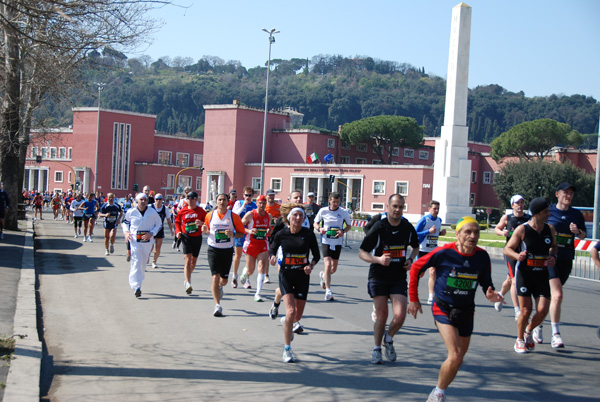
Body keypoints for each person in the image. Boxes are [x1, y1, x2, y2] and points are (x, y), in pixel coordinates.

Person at [408, 217, 503, 402]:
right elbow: (416, 268)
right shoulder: (443, 252)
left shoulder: (482, 256)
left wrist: (491, 294)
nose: (472, 236)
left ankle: (439, 389)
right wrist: (413, 298)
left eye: (476, 232)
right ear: (457, 234)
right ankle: (438, 394)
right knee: (457, 354)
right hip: (442, 308)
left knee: (458, 359)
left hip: (466, 310)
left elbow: (486, 283)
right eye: (467, 232)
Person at [359, 194, 419, 364]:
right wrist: (378, 259)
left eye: (401, 207)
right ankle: (377, 349)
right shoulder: (379, 227)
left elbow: (415, 246)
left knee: (400, 316)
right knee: (382, 315)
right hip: (378, 277)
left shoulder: (407, 227)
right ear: (388, 207)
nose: (398, 210)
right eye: (395, 206)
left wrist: (410, 259)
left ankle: (389, 338)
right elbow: (362, 252)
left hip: (398, 277)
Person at [504, 197, 557, 353]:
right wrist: (517, 256)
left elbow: (554, 246)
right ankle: (519, 340)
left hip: (542, 274)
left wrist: (553, 256)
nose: (548, 214)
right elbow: (508, 249)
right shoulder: (522, 229)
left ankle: (528, 332)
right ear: (537, 213)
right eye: (546, 211)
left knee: (542, 310)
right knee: (526, 310)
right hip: (525, 274)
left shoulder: (550, 229)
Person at [269, 202, 320, 363]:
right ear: (289, 218)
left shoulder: (308, 234)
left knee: (297, 316)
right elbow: (272, 247)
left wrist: (310, 266)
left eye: (300, 216)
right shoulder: (282, 234)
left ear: (304, 218)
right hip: (285, 274)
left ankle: (287, 322)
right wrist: (272, 256)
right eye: (295, 215)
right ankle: (287, 349)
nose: (298, 218)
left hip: (302, 276)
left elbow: (316, 256)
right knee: (290, 311)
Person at [538, 182, 587, 348]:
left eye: (571, 193)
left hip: (566, 259)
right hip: (550, 257)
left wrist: (577, 232)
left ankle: (539, 324)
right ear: (557, 194)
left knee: (549, 297)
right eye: (566, 192)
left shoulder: (576, 214)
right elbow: (536, 228)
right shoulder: (548, 212)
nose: (569, 196)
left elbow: (583, 235)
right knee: (557, 295)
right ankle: (556, 334)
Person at [268, 189, 311, 334]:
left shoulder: (305, 219)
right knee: (288, 285)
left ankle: (277, 303)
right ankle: (293, 320)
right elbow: (274, 238)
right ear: (289, 199)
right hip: (284, 257)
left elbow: (308, 239)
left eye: (300, 197)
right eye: (295, 197)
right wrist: (272, 254)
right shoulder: (283, 219)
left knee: (289, 289)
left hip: (300, 260)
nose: (298, 199)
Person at [202, 193, 245, 316]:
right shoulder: (210, 215)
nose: (221, 202)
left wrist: (233, 234)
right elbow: (207, 229)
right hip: (213, 249)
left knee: (224, 280)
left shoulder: (233, 217)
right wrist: (205, 231)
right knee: (215, 277)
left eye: (224, 200)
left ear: (228, 202)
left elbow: (241, 233)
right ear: (216, 202)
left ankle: (220, 286)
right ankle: (217, 305)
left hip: (227, 250)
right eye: (219, 200)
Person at [494, 195, 530, 319]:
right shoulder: (508, 218)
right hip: (510, 253)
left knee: (509, 280)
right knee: (515, 281)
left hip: (524, 253)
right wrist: (502, 232)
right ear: (512, 205)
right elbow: (497, 229)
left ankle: (500, 295)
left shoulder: (528, 218)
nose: (520, 205)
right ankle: (517, 310)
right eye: (517, 203)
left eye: (522, 202)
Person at [121, 193, 162, 297]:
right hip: (135, 240)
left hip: (147, 241)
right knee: (136, 261)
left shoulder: (152, 212)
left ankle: (138, 282)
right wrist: (126, 232)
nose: (143, 201)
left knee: (143, 263)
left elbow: (159, 224)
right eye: (141, 200)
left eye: (145, 200)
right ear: (136, 200)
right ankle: (136, 286)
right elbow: (125, 222)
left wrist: (151, 233)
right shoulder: (131, 212)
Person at [314, 192, 352, 301]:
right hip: (326, 240)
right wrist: (319, 229)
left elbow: (349, 226)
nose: (336, 204)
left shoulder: (343, 212)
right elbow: (315, 223)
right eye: (334, 201)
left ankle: (323, 276)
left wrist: (343, 231)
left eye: (338, 202)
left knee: (333, 269)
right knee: (327, 264)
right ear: (329, 200)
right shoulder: (323, 211)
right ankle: (328, 291)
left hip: (337, 242)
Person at [174, 191, 207, 294]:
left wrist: (202, 223)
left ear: (196, 199)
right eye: (188, 198)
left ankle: (187, 277)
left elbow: (208, 222)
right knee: (187, 260)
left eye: (192, 198)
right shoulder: (183, 211)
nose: (190, 200)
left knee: (193, 262)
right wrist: (178, 231)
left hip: (197, 237)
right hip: (186, 236)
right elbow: (177, 222)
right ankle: (188, 282)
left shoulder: (201, 211)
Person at [415, 200, 447, 305]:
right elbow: (415, 234)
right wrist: (427, 232)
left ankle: (431, 296)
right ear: (429, 209)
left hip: (433, 250)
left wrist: (441, 233)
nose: (436, 211)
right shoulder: (424, 220)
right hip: (422, 250)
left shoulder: (439, 220)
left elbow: (435, 233)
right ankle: (412, 291)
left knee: (433, 272)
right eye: (434, 208)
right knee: (419, 274)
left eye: (438, 209)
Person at [241, 195, 272, 301]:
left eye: (264, 203)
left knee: (262, 267)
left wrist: (269, 231)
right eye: (260, 203)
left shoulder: (269, 216)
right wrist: (249, 231)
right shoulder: (250, 214)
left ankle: (258, 293)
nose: (262, 205)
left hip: (262, 244)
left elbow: (269, 229)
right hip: (251, 244)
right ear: (257, 203)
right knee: (251, 269)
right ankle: (245, 274)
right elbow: (240, 226)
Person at [231, 186, 257, 288]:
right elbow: (234, 214)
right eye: (246, 195)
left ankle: (246, 279)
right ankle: (234, 276)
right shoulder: (239, 203)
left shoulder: (254, 205)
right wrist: (243, 206)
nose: (248, 197)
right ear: (243, 195)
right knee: (237, 255)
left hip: (249, 233)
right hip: (239, 232)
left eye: (250, 195)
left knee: (249, 257)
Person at [150, 193, 175, 269]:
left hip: (160, 230)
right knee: (150, 247)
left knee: (158, 248)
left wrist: (172, 230)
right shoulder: (150, 207)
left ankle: (154, 261)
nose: (158, 201)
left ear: (162, 200)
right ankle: (147, 255)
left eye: (160, 199)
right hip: (151, 230)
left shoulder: (165, 209)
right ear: (154, 200)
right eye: (157, 199)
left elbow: (168, 221)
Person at [264, 188, 282, 283]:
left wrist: (277, 220)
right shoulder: (264, 207)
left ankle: (282, 274)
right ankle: (266, 275)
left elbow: (282, 219)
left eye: (272, 195)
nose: (271, 197)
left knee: (279, 255)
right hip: (267, 233)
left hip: (277, 234)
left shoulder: (278, 207)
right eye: (269, 195)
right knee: (268, 255)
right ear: (267, 196)